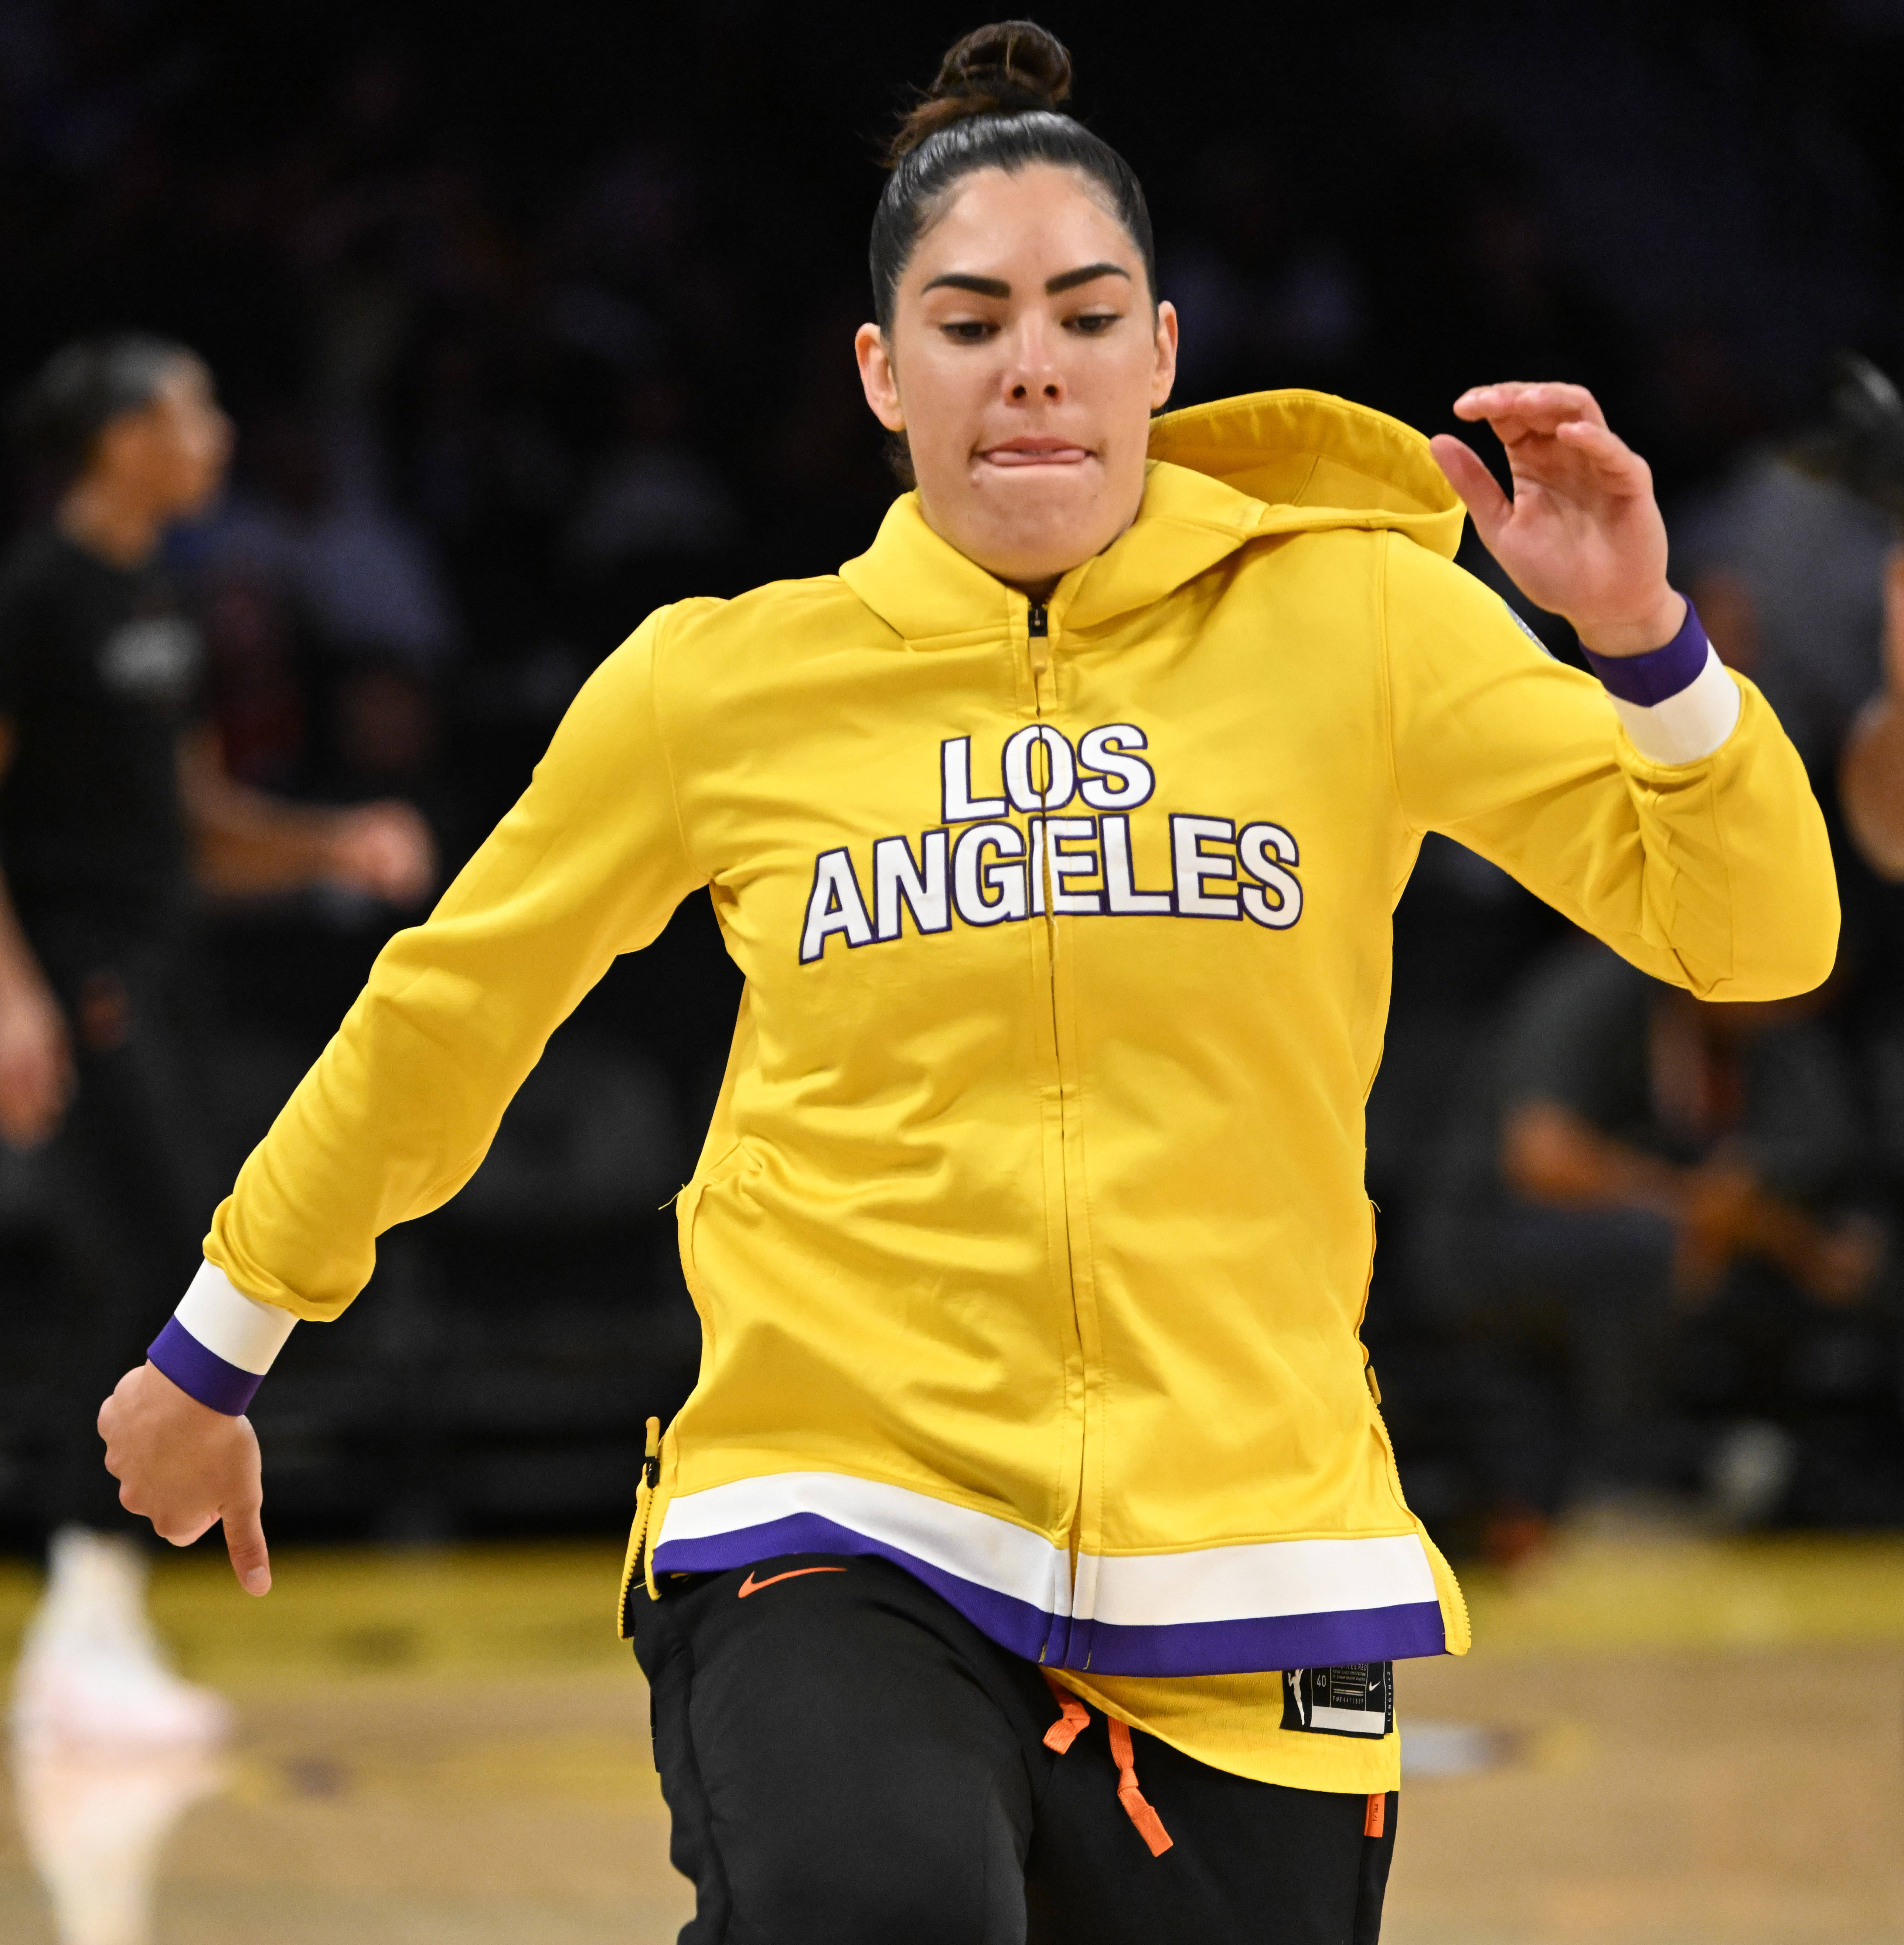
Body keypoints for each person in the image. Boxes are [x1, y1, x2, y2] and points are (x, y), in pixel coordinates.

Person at [97, 23, 1836, 1941]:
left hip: (1247, 1558)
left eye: (1086, 316)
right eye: (970, 316)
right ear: (880, 371)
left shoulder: (1362, 620)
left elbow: (1752, 939)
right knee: (881, 1906)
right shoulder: (718, 682)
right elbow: (456, 1012)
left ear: (1161, 355)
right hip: (841, 1510)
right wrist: (218, 1345)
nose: (1031, 362)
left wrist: (1650, 650)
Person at [0, 333, 435, 1748]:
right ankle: (77, 1612)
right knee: (124, 1267)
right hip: (79, 977)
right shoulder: (39, 594)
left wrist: (329, 848)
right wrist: (12, 996)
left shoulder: (159, 593)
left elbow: (192, 820)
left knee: (161, 1263)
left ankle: (98, 1617)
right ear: (117, 436)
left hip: (166, 967)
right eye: (188, 405)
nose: (216, 429)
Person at [1417, 940, 1879, 1528]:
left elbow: (1777, 1178)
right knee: (1648, 1245)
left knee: (1846, 1262)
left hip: (1662, 1230)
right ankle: (1614, 1488)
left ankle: (1772, 1477)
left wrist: (1804, 1246)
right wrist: (1695, 1207)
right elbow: (1542, 1159)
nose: (1788, 1009)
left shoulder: (1772, 1044)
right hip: (1484, 1236)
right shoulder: (1599, 991)